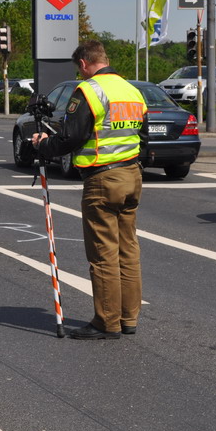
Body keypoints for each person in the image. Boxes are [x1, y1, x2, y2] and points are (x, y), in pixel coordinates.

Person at [30, 40, 148, 340]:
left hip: (103, 179)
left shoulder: (89, 91)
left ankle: (106, 322)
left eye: (78, 69)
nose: (79, 74)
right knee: (128, 250)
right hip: (131, 175)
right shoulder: (132, 91)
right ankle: (128, 318)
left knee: (103, 254)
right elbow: (142, 135)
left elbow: (71, 138)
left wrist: (44, 145)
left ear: (83, 63)